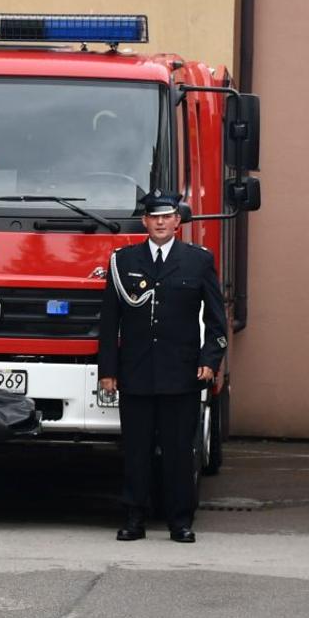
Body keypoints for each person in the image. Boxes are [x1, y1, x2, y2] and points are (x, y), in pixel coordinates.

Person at [97, 191, 227, 543]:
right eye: (154, 217)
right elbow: (110, 322)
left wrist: (209, 361)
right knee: (136, 451)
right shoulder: (123, 260)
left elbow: (216, 321)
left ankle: (180, 521)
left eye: (167, 216)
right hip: (136, 372)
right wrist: (108, 371)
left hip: (181, 374)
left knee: (178, 452)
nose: (160, 222)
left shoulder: (197, 260)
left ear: (177, 222)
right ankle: (133, 518)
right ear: (145, 222)